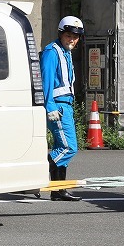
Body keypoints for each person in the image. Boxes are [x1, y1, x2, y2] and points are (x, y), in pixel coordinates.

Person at [41, 15, 84, 201]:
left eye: (75, 36)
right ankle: (39, 173)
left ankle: (58, 191)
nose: (72, 39)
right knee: (69, 147)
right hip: (57, 107)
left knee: (61, 146)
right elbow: (46, 81)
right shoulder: (52, 52)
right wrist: (49, 106)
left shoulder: (66, 52)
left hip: (66, 106)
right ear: (61, 34)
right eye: (68, 35)